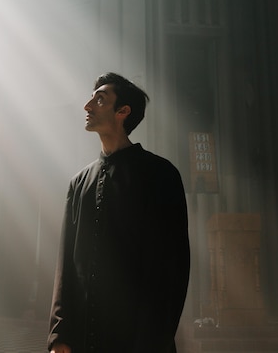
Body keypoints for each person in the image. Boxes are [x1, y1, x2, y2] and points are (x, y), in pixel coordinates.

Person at [48, 72, 190, 353]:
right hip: (84, 340)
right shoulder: (79, 184)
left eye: (99, 100)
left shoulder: (161, 175)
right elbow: (66, 266)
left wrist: (153, 342)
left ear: (123, 111)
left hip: (140, 341)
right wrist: (59, 336)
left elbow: (173, 269)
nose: (88, 106)